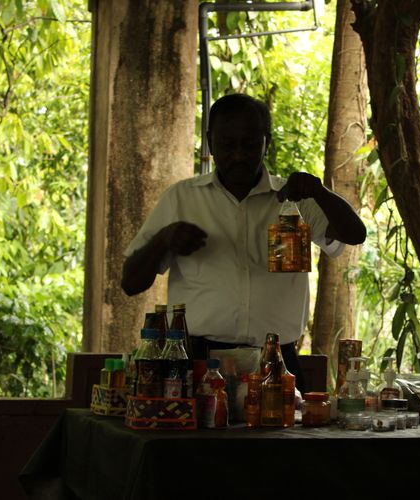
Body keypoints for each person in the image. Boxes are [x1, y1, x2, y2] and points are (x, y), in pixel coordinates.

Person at [121, 93, 366, 394]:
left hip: (277, 362)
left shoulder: (296, 199)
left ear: (267, 142)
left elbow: (355, 234)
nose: (238, 154)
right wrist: (163, 239)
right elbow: (130, 282)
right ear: (210, 142)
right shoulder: (181, 198)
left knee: (278, 442)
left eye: (249, 144)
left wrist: (320, 193)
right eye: (227, 144)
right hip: (198, 363)